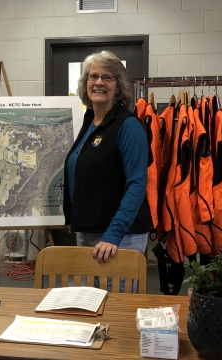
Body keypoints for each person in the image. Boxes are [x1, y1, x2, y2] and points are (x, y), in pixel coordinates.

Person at [63, 50, 151, 269]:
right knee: (89, 300)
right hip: (88, 231)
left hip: (118, 238)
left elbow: (137, 183)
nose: (98, 82)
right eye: (93, 76)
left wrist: (113, 235)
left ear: (118, 86)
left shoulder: (128, 126)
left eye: (107, 77)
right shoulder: (90, 121)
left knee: (115, 303)